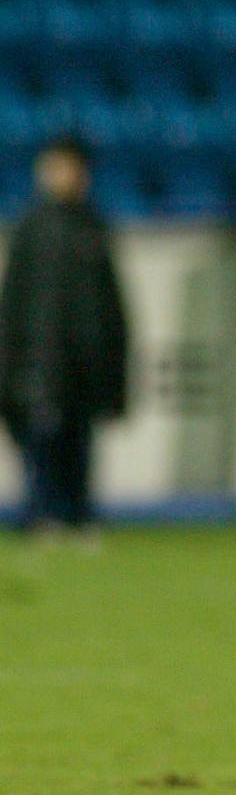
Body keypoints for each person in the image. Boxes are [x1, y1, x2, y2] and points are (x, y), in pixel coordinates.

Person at [0, 135, 129, 538]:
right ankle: (41, 515)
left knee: (80, 441)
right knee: (42, 442)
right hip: (39, 362)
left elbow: (111, 304)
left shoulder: (93, 226)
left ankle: (79, 515)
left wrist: (113, 363)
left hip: (85, 362)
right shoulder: (32, 229)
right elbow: (14, 302)